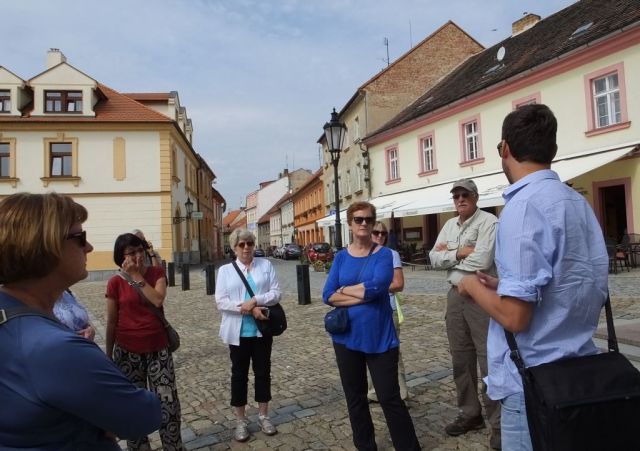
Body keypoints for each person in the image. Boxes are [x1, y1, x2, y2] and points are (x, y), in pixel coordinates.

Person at [457, 104, 608, 450]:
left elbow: (515, 317)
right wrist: (504, 286)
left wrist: (470, 286)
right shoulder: (575, 201)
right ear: (551, 149)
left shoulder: (523, 207)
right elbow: (573, 280)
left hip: (534, 383)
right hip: (580, 371)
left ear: (505, 149)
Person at [0, 192, 161, 450]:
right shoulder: (54, 349)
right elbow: (144, 415)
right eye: (80, 238)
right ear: (46, 247)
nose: (89, 247)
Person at [323, 201, 421, 451]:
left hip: (380, 338)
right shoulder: (341, 257)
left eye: (368, 219)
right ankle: (365, 446)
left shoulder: (385, 255)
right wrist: (360, 293)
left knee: (390, 398)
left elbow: (379, 286)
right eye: (358, 219)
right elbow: (327, 295)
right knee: (355, 398)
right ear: (350, 224)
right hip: (346, 339)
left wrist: (343, 291)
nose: (364, 223)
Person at [429, 178, 501, 449]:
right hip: (455, 295)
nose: (460, 199)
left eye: (465, 194)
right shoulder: (449, 225)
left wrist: (449, 254)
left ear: (475, 196)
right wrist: (461, 252)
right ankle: (470, 414)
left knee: (488, 358)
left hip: (481, 294)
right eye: (456, 195)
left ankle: (499, 426)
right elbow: (432, 258)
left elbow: (482, 260)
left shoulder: (489, 223)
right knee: (461, 357)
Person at [106, 233, 184, 451]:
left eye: (140, 250)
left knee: (167, 404)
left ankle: (173, 446)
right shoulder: (115, 283)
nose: (138, 256)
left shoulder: (157, 273)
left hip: (158, 350)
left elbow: (157, 299)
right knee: (133, 407)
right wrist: (108, 354)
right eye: (132, 253)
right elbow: (111, 322)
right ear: (121, 257)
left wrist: (136, 276)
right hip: (127, 352)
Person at [215, 228, 282, 442]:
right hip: (238, 332)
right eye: (241, 244)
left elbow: (276, 293)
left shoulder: (266, 265)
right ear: (234, 247)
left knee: (263, 372)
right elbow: (221, 301)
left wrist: (256, 301)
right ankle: (241, 420)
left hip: (262, 331)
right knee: (239, 375)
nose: (246, 248)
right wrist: (247, 308)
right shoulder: (226, 270)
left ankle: (263, 415)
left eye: (249, 244)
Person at [367, 221, 408, 402]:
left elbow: (398, 284)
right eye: (376, 233)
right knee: (368, 350)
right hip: (367, 310)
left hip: (387, 309)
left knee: (392, 352)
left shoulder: (391, 254)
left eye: (384, 233)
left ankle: (401, 392)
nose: (380, 236)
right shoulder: (362, 254)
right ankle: (373, 391)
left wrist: (371, 289)